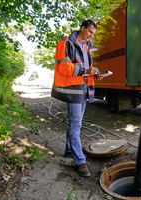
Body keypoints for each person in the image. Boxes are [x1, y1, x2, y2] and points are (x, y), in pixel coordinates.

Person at [51, 19, 103, 177]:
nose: (91, 36)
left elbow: (86, 68)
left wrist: (94, 74)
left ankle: (68, 150)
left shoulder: (87, 45)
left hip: (82, 89)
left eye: (93, 34)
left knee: (75, 124)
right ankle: (80, 161)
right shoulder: (65, 43)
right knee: (75, 126)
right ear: (82, 28)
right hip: (73, 90)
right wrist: (85, 71)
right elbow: (64, 67)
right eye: (89, 32)